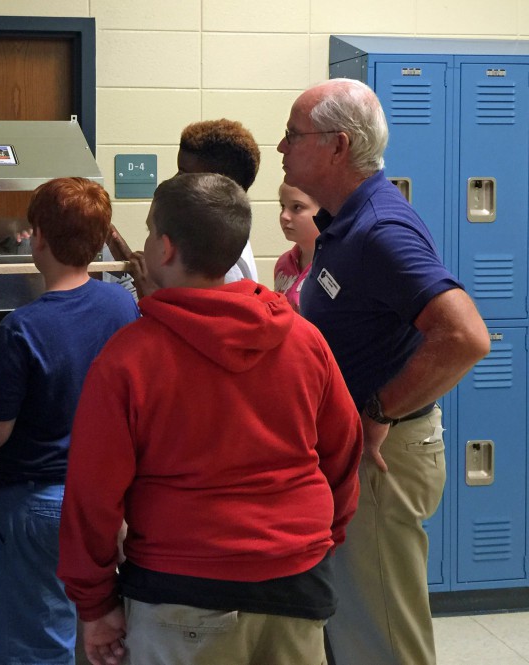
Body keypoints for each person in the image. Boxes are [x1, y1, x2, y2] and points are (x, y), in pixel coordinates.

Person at [57, 172, 363, 665]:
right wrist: (318, 539)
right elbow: (345, 452)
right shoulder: (304, 342)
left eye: (151, 228)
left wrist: (95, 606)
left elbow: (92, 494)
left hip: (181, 591)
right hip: (297, 585)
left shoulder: (128, 360)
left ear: (166, 247)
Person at [279, 78, 491, 665]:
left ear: (337, 146)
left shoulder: (380, 230)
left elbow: (465, 336)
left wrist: (379, 410)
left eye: (293, 135)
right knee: (352, 626)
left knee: (382, 639)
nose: (281, 147)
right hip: (354, 452)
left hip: (384, 457)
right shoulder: (343, 222)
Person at [0, 177, 139, 665]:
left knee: (34, 644)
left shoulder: (22, 328)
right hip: (107, 499)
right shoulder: (123, 306)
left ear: (37, 237)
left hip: (39, 503)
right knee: (105, 631)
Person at [107, 118, 261, 299]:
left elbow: (199, 324)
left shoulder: (226, 270)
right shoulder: (214, 242)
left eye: (183, 173)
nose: (174, 180)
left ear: (217, 185)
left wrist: (149, 297)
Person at [274, 180, 321, 311]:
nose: (284, 216)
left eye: (297, 207)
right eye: (282, 206)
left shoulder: (333, 266)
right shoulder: (283, 263)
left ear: (324, 211)